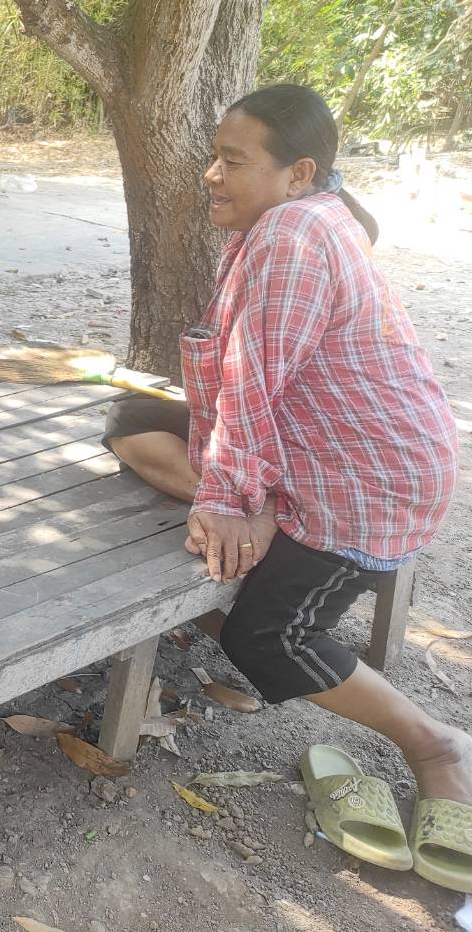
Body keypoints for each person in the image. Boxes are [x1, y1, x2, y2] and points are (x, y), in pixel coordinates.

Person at [103, 84, 469, 869]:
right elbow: (246, 381)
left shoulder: (293, 234)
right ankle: (266, 517)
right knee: (131, 425)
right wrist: (239, 497)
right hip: (315, 451)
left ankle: (436, 747)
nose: (210, 173)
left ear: (297, 172)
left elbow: (250, 379)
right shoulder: (297, 217)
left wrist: (232, 499)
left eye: (232, 161)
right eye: (213, 156)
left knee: (265, 635)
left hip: (366, 480)